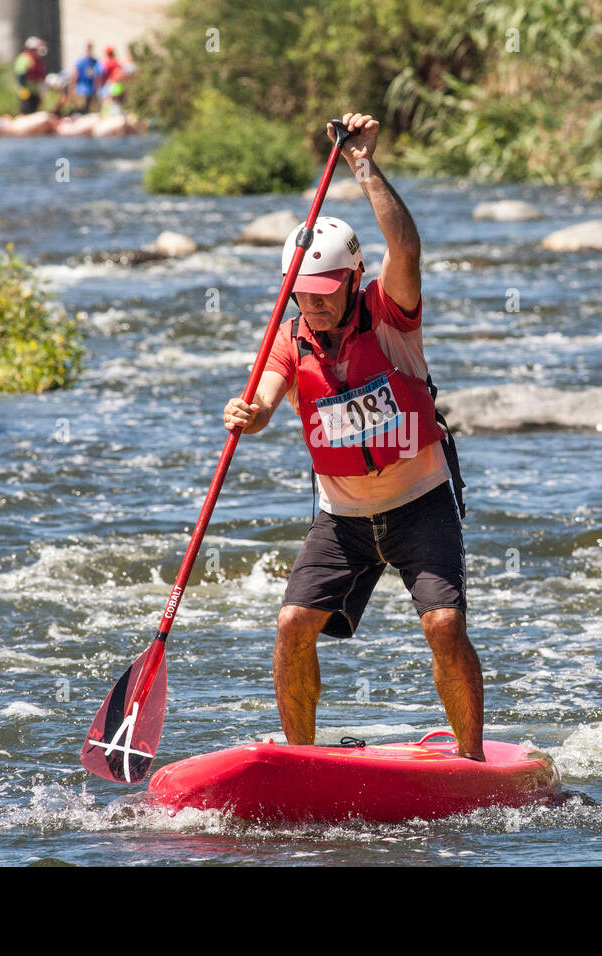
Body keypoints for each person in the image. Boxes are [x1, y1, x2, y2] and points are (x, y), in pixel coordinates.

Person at [222, 112, 483, 760]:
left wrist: (364, 165)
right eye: (302, 293)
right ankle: (301, 762)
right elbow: (264, 403)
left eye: (325, 290)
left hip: (419, 502)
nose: (313, 303)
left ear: (352, 279)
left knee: (444, 625)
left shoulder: (391, 315)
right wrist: (247, 415)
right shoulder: (289, 338)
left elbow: (409, 250)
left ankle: (473, 762)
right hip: (341, 516)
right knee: (291, 625)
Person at [13, 36, 45, 115]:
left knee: (34, 112)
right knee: (26, 111)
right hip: (26, 91)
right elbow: (20, 75)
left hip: (35, 91)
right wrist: (23, 89)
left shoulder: (37, 59)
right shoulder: (24, 58)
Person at [72, 42, 99, 114]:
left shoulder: (94, 61)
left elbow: (97, 76)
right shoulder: (81, 61)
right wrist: (73, 88)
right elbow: (75, 75)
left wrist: (96, 89)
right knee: (80, 109)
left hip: (90, 89)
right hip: (81, 88)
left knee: (89, 110)